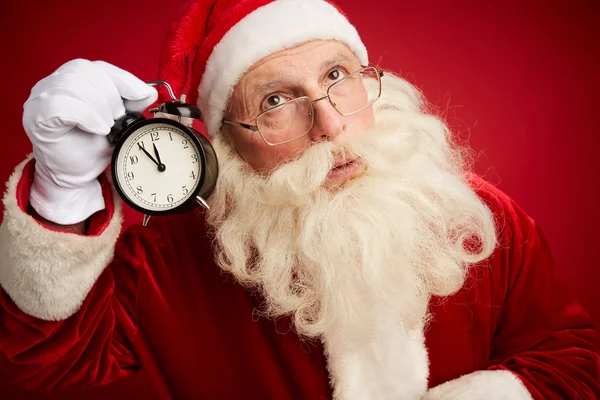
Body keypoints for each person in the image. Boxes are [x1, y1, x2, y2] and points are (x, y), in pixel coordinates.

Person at [0, 0, 598, 399]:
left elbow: (570, 359)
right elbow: (40, 367)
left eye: (337, 76)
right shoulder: (162, 264)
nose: (332, 126)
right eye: (275, 101)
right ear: (226, 143)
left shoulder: (479, 217)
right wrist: (62, 193)